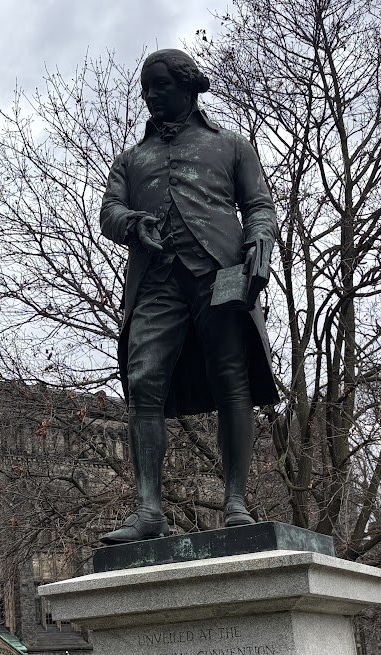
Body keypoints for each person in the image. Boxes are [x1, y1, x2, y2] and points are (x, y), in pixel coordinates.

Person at [97, 48, 279, 545]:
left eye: (160, 86)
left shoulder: (232, 147)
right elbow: (109, 212)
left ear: (187, 87)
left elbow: (259, 206)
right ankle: (148, 510)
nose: (150, 97)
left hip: (218, 275)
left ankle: (236, 501)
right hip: (156, 281)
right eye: (146, 89)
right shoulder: (132, 160)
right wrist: (134, 223)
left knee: (231, 380)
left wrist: (258, 242)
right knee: (142, 381)